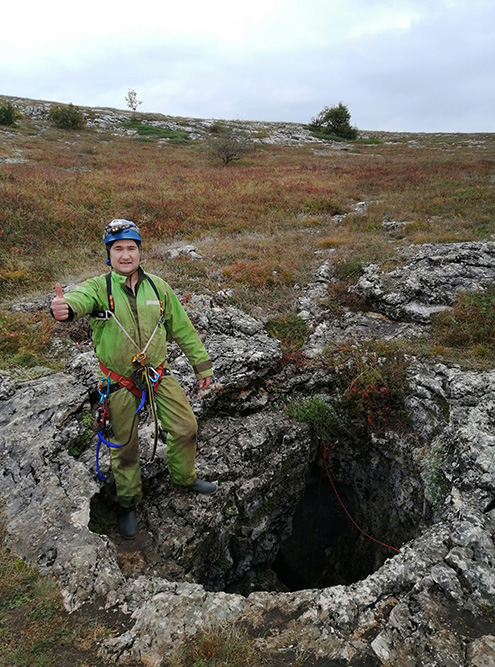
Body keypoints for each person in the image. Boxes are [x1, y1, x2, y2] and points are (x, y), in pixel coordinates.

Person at [51, 219, 217, 539]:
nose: (125, 255)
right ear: (108, 255)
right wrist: (66, 308)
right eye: (118, 249)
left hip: (157, 375)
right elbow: (79, 299)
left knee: (186, 427)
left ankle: (184, 478)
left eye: (131, 248)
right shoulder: (100, 288)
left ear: (140, 252)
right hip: (119, 382)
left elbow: (182, 328)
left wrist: (202, 366)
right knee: (125, 447)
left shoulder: (158, 288)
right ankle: (127, 502)